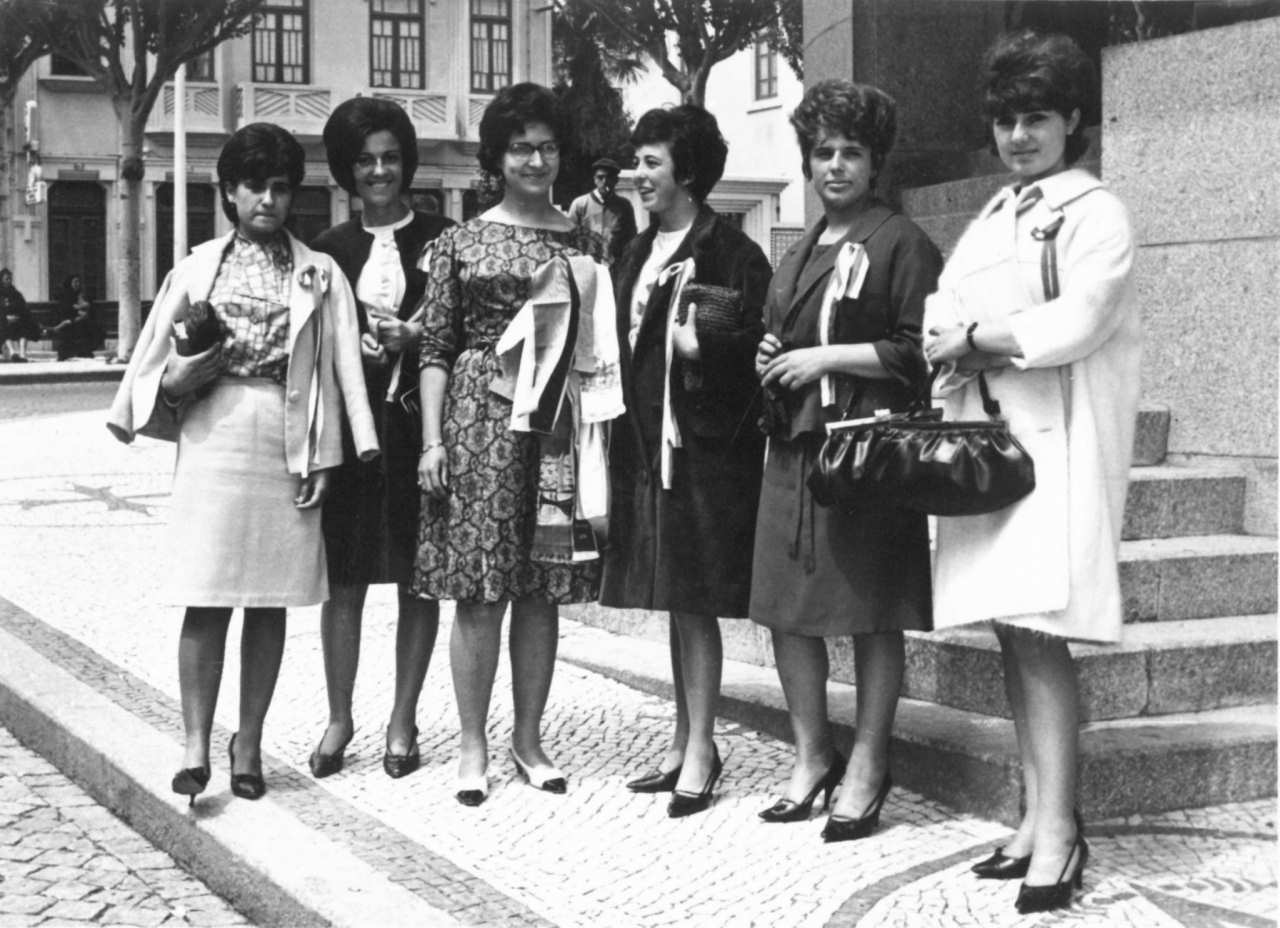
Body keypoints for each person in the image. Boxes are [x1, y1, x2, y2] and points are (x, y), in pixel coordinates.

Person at [923, 31, 1139, 914]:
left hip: (1057, 447)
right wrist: (957, 339)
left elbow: (1081, 315)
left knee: (1042, 634)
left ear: (1072, 119)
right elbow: (943, 302)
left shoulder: (1096, 211)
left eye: (1036, 119)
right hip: (993, 443)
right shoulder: (995, 212)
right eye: (1007, 120)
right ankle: (1035, 813)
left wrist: (978, 340)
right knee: (1013, 631)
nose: (1018, 136)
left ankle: (1060, 830)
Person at [107, 122, 377, 805]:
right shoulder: (199, 266)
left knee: (269, 600)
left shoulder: (318, 271)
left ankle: (248, 742)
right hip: (214, 436)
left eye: (281, 188)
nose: (268, 200)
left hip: (288, 440)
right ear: (229, 191)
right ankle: (196, 745)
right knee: (206, 593)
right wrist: (176, 380)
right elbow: (153, 364)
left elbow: (339, 370)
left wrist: (328, 455)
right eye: (254, 186)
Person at [414, 83, 617, 807]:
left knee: (542, 588)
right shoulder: (461, 241)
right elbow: (435, 348)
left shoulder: (584, 242)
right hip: (479, 424)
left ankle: (529, 740)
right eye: (521, 148)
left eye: (548, 147)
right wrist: (431, 441)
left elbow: (596, 343)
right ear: (497, 158)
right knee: (479, 589)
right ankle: (472, 744)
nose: (536, 160)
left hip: (555, 425)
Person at [751, 80, 940, 840]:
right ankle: (811, 755)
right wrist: (773, 354)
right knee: (784, 609)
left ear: (874, 161)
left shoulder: (901, 242)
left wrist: (823, 357)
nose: (835, 165)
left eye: (851, 152)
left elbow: (918, 352)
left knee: (871, 610)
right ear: (807, 161)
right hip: (795, 449)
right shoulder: (801, 249)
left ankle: (868, 762)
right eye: (823, 151)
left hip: (866, 453)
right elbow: (786, 337)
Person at [601, 105, 771, 818]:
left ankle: (702, 746)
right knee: (673, 598)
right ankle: (681, 739)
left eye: (652, 163)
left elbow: (759, 344)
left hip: (703, 452)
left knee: (695, 599)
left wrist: (708, 349)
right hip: (644, 446)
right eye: (636, 161)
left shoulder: (732, 252)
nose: (637, 175)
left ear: (688, 171)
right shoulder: (635, 251)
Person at [306, 97, 454, 781]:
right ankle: (339, 718)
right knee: (344, 579)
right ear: (346, 168)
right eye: (364, 160)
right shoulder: (327, 250)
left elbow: (468, 329)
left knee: (418, 579)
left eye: (391, 158)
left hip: (420, 430)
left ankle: (403, 719)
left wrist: (416, 335)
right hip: (351, 435)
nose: (379, 171)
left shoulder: (444, 239)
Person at [567, 156, 637, 266]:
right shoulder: (580, 204)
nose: (605, 182)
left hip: (614, 267)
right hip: (586, 266)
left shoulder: (624, 206)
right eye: (600, 177)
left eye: (609, 178)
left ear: (616, 180)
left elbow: (631, 239)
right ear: (594, 179)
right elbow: (568, 238)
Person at [48, 275, 104, 360]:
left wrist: (80, 310)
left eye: (78, 282)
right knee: (72, 327)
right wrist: (78, 311)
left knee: (92, 327)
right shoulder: (66, 294)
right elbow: (67, 309)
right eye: (75, 282)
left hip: (77, 320)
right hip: (68, 319)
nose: (77, 284)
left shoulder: (79, 294)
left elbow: (86, 305)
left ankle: (84, 351)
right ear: (70, 283)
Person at [0, 268, 39, 362]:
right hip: (3, 321)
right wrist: (5, 318)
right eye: (6, 279)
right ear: (1, 280)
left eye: (10, 278)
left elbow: (23, 308)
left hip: (16, 321)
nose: (9, 281)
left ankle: (22, 354)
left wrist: (18, 317)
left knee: (24, 326)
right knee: (3, 327)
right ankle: (12, 352)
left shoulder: (16, 293)